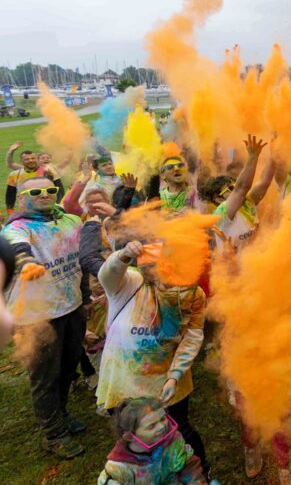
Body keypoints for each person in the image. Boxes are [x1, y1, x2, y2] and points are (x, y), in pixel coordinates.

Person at [96, 237, 211, 478]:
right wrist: (124, 255)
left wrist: (174, 376)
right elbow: (106, 276)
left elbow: (192, 336)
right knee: (135, 437)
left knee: (179, 433)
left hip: (166, 384)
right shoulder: (131, 283)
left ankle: (198, 475)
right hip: (123, 382)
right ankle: (143, 476)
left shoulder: (192, 294)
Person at [1, 176, 87, 458]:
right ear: (23, 197)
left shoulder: (69, 221)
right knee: (44, 377)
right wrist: (26, 262)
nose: (44, 194)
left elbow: (82, 258)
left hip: (71, 307)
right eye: (35, 191)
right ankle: (54, 435)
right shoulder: (17, 227)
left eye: (49, 190)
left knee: (67, 368)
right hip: (36, 317)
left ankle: (61, 415)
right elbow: (17, 248)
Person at [96, 396, 209, 485]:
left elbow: (188, 465)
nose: (162, 427)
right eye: (152, 426)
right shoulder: (117, 469)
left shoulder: (173, 439)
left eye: (163, 418)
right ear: (130, 437)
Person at [200, 135, 274, 253]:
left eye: (234, 185)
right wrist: (253, 157)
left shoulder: (248, 201)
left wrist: (274, 154)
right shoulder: (220, 214)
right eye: (230, 189)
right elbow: (241, 188)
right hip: (232, 269)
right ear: (218, 199)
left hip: (257, 266)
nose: (234, 188)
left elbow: (265, 182)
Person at [5, 145, 64, 215]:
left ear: (37, 159)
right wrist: (10, 209)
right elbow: (10, 193)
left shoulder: (48, 171)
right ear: (21, 161)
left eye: (33, 158)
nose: (31, 160)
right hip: (25, 211)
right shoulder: (14, 175)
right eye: (27, 159)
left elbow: (60, 189)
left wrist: (56, 204)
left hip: (46, 208)